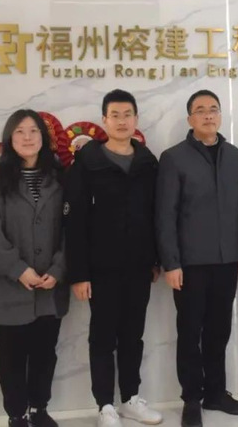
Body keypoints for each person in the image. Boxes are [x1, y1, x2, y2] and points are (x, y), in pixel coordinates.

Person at [64, 89, 162, 427]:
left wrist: (156, 259)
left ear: (136, 120)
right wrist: (78, 273)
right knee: (103, 336)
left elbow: (156, 214)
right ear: (104, 121)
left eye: (127, 115)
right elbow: (74, 221)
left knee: (133, 335)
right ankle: (105, 405)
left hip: (139, 266)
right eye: (115, 115)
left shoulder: (148, 162)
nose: (122, 121)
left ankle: (131, 398)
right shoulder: (87, 163)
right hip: (100, 268)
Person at [156, 90, 238, 427]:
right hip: (190, 264)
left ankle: (216, 393)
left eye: (214, 109)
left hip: (227, 261)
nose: (208, 115)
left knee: (219, 330)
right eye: (200, 110)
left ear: (220, 116)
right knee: (190, 332)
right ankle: (191, 399)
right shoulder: (173, 158)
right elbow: (164, 214)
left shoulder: (235, 156)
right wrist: (171, 262)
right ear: (190, 119)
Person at [0, 109, 69, 427]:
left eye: (34, 131)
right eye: (20, 131)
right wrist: (18, 269)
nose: (27, 137)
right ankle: (16, 414)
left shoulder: (61, 178)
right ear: (9, 138)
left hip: (50, 286)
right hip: (8, 286)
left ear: (44, 137)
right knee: (11, 355)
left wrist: (58, 268)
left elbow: (74, 228)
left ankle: (39, 409)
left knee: (45, 352)